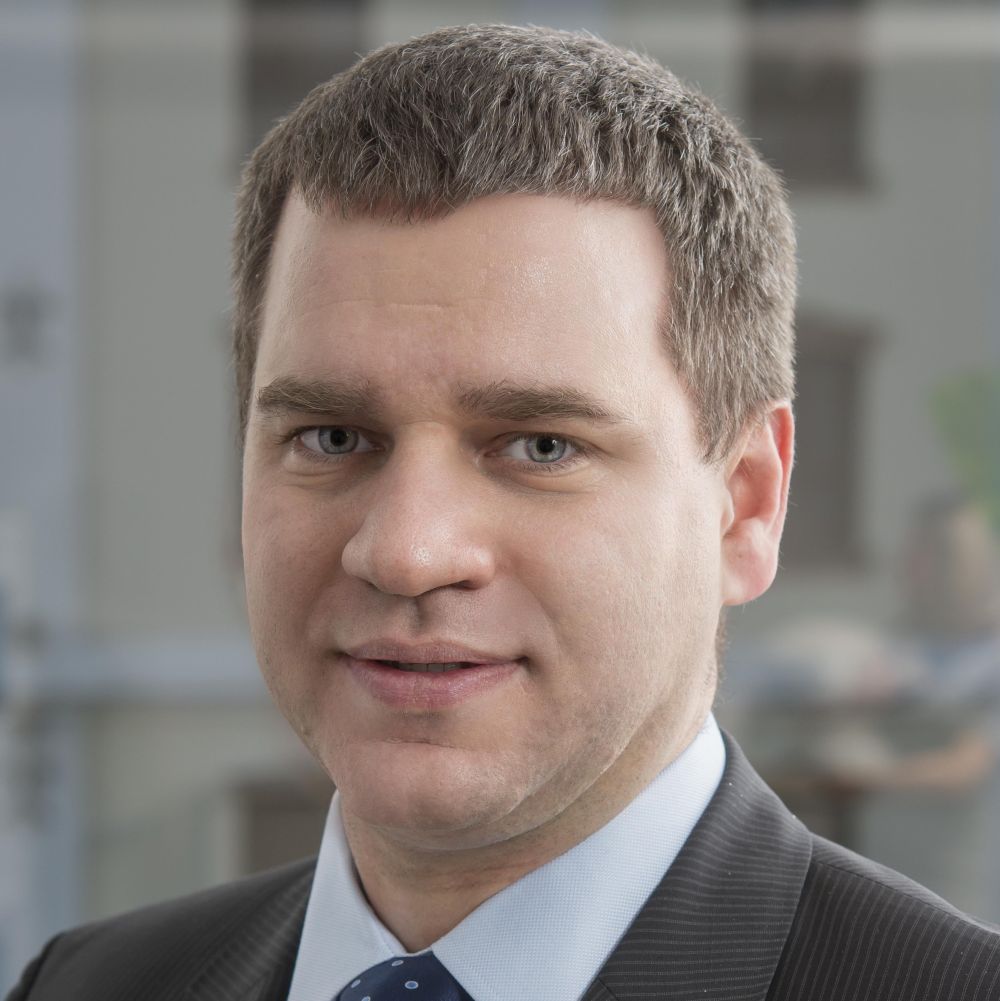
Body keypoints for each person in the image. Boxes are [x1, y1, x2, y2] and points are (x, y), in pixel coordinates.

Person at [7, 23, 999, 1001]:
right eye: (333, 436)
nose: (407, 551)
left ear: (744, 504)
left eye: (540, 446)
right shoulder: (83, 985)